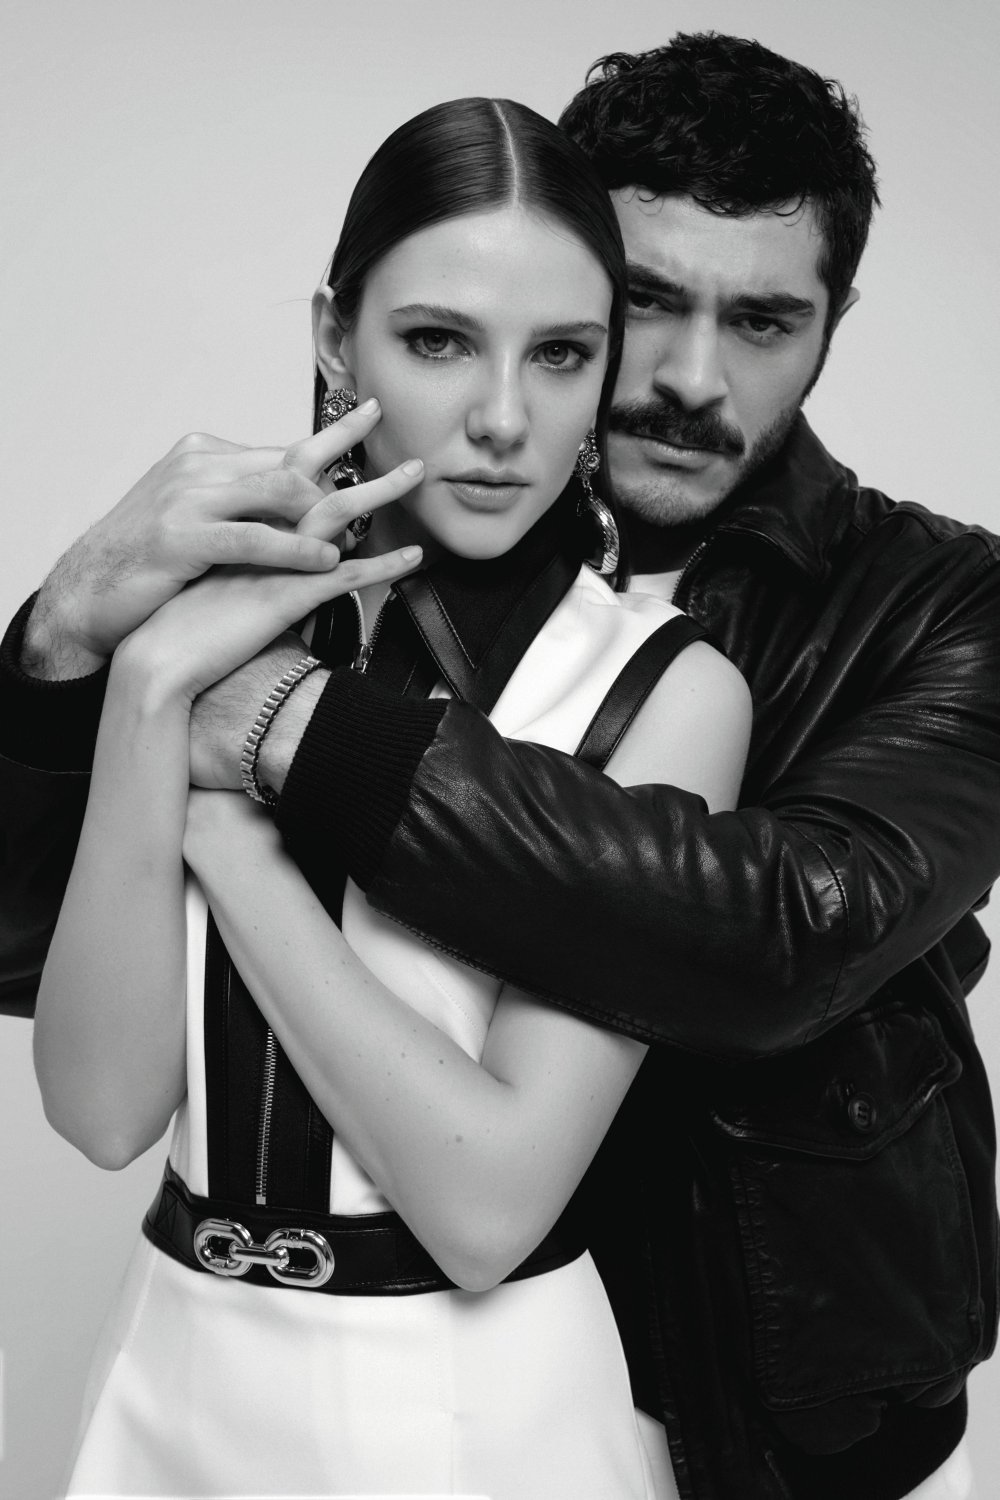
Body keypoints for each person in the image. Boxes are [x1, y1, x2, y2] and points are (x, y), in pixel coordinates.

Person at [2, 30, 998, 1500]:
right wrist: (72, 648)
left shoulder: (918, 609)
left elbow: (784, 934)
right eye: (644, 305)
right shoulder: (271, 596)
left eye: (765, 319)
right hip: (246, 1366)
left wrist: (256, 746)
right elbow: (59, 1001)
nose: (689, 377)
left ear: (835, 321)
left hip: (786, 1408)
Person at [29, 96, 750, 1499]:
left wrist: (228, 836)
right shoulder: (191, 633)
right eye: (438, 341)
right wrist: (143, 684)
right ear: (332, 335)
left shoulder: (664, 690)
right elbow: (103, 1112)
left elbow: (489, 1205)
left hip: (484, 1415)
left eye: (561, 355)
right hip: (175, 1381)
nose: (503, 419)